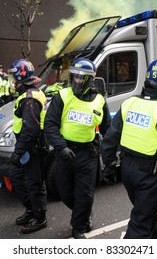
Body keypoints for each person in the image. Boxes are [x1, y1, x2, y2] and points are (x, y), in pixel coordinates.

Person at [100, 59, 157, 239]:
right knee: (139, 225)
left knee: (144, 210)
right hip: (150, 176)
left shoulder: (130, 103)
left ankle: (156, 233)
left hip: (127, 171)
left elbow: (110, 138)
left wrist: (109, 165)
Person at [44, 58, 110, 239]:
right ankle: (84, 212)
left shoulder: (99, 100)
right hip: (65, 152)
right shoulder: (63, 96)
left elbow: (107, 129)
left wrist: (113, 152)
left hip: (88, 153)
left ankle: (79, 226)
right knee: (65, 194)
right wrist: (61, 147)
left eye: (82, 78)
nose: (77, 81)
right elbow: (50, 125)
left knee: (85, 194)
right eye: (75, 77)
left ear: (90, 79)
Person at [8, 59, 48, 234]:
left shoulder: (30, 98)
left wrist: (18, 152)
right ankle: (31, 210)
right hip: (27, 147)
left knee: (34, 183)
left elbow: (30, 130)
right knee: (18, 177)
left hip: (32, 147)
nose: (11, 81)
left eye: (13, 77)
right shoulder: (27, 95)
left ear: (20, 77)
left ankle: (40, 218)